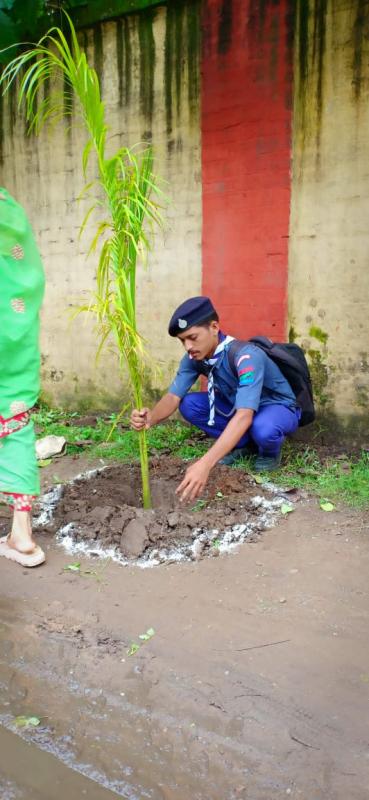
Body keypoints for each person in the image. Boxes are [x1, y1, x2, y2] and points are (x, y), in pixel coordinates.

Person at [131, 296, 301, 503]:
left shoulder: (246, 356)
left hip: (275, 408)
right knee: (190, 404)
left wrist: (205, 464)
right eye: (182, 340)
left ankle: (267, 453)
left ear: (214, 327)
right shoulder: (195, 358)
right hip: (238, 407)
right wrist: (151, 418)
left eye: (193, 337)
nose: (187, 346)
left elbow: (245, 415)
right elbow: (173, 397)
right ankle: (242, 444)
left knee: (263, 428)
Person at [0, 188, 45, 567]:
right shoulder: (9, 208)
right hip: (12, 334)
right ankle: (22, 534)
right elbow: (28, 275)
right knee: (15, 421)